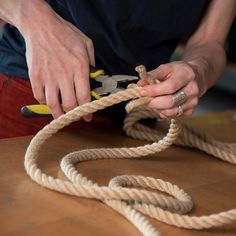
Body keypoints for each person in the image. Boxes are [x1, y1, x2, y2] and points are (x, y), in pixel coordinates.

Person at [0, 0, 235, 138]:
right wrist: (38, 23)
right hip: (37, 92)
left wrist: (198, 69)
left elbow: (209, 41)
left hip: (137, 118)